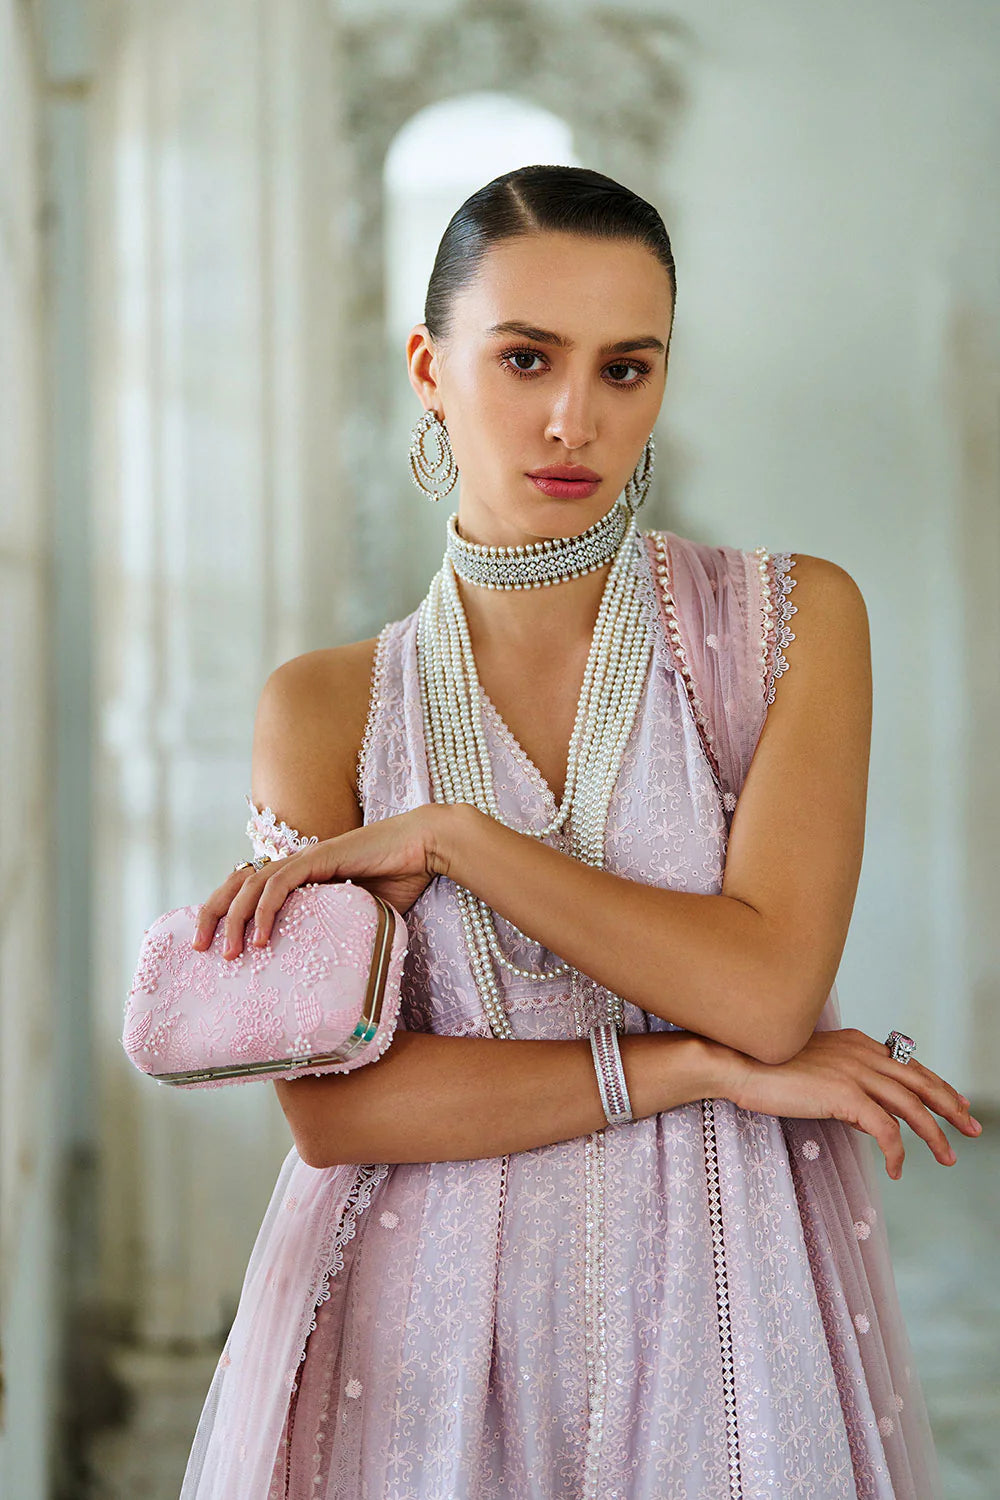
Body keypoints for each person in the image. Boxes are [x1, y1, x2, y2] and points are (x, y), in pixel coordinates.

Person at [179, 166, 978, 1499]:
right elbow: (339, 1111)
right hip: (414, 1325)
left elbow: (768, 995)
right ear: (430, 369)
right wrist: (694, 1069)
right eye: (526, 358)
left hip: (719, 1289)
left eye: (625, 368)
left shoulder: (787, 628)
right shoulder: (322, 708)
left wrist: (459, 840)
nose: (574, 418)